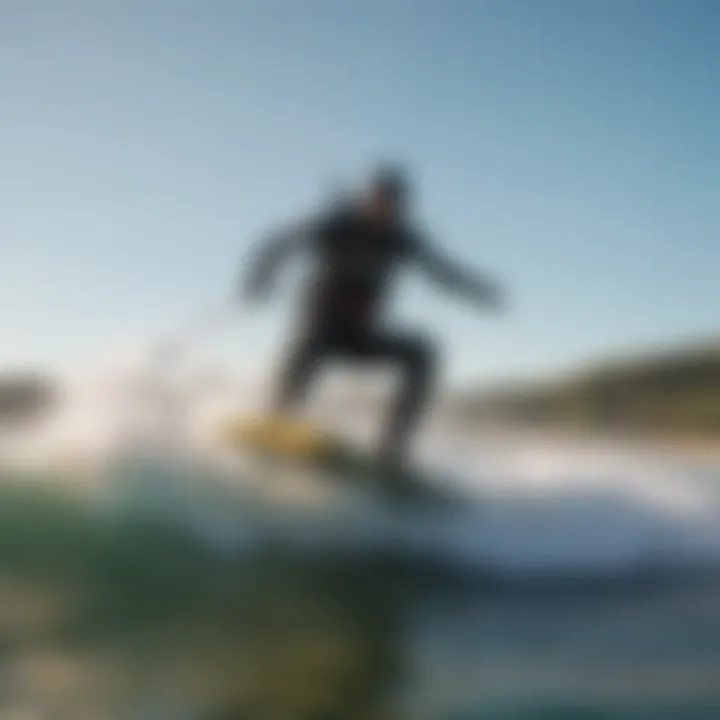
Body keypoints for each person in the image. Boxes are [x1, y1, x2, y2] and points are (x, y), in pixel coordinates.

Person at [240, 165, 504, 481]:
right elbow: (277, 244)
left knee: (422, 352)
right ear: (366, 199)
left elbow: (443, 272)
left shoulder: (402, 240)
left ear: (400, 207)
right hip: (318, 329)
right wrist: (259, 279)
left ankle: (390, 451)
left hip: (358, 334)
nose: (383, 210)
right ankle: (276, 423)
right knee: (309, 346)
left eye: (391, 204)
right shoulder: (338, 226)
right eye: (377, 200)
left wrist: (478, 290)